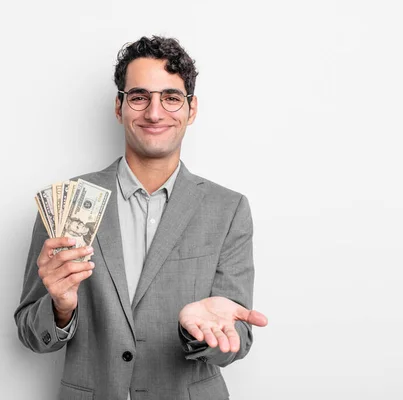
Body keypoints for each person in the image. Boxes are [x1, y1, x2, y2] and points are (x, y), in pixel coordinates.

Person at [14, 35, 268, 400]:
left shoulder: (228, 209)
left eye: (171, 97)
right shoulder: (68, 202)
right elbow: (29, 330)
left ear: (191, 109)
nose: (154, 112)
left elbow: (236, 336)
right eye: (139, 97)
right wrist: (60, 308)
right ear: (119, 107)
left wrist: (201, 332)